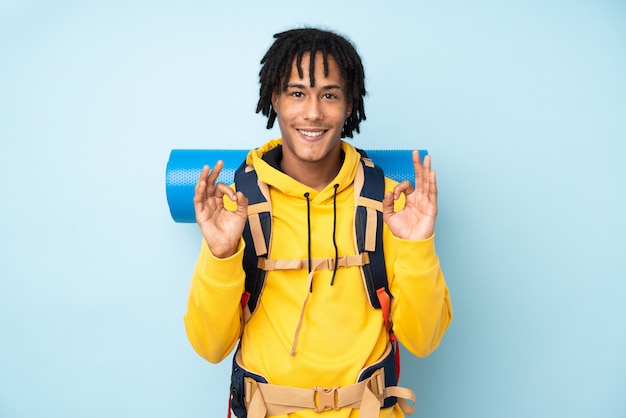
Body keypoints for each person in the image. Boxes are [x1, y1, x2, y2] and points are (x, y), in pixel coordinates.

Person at [184, 27, 452, 418]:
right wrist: (221, 254)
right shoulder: (236, 204)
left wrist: (416, 247)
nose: (312, 112)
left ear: (349, 104)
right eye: (297, 93)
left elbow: (424, 340)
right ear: (274, 100)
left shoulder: (393, 203)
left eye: (329, 94)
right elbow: (210, 348)